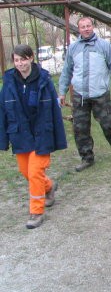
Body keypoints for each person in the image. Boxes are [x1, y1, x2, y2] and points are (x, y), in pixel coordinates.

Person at [0, 45, 67, 229]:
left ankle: (36, 212)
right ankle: (49, 186)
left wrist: (57, 138)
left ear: (31, 58)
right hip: (20, 134)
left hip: (41, 134)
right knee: (26, 171)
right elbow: (3, 111)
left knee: (35, 172)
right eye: (16, 60)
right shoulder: (8, 82)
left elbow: (54, 111)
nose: (20, 63)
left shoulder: (44, 80)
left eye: (23, 59)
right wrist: (3, 139)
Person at [58, 16, 111, 172]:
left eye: (88, 26)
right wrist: (62, 92)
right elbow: (66, 71)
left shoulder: (104, 46)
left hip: (100, 93)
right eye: (83, 26)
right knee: (80, 128)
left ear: (92, 27)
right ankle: (87, 158)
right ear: (79, 29)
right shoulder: (73, 48)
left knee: (108, 125)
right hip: (79, 95)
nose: (86, 29)